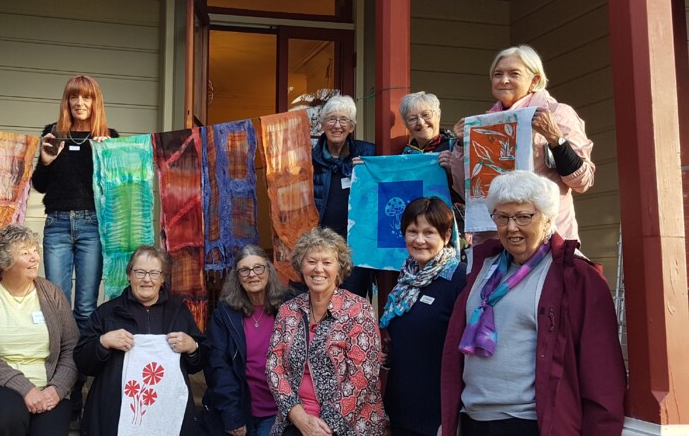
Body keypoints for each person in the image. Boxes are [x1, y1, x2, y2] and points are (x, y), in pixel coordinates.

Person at [440, 170, 625, 435]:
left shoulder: (576, 277)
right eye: (502, 217)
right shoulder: (482, 268)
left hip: (530, 424)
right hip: (472, 420)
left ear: (548, 219)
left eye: (523, 216)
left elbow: (603, 373)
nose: (511, 227)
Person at [451, 45, 594, 241]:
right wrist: (460, 146)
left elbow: (582, 182)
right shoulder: (485, 123)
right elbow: (466, 190)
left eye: (514, 74)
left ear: (534, 80)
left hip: (546, 237)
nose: (504, 80)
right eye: (497, 74)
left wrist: (555, 138)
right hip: (494, 237)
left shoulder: (557, 113)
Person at [266, 227, 386, 436]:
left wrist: (325, 426)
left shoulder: (358, 310)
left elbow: (363, 375)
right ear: (301, 267)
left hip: (348, 425)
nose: (318, 269)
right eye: (311, 262)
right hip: (296, 420)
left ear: (339, 269)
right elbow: (274, 366)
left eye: (327, 262)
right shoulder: (288, 310)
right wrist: (298, 417)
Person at [74, 245, 205, 435]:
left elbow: (199, 363)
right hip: (115, 416)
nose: (146, 279)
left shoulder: (179, 312)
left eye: (153, 273)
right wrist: (103, 342)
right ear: (129, 275)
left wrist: (193, 347)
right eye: (140, 272)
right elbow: (82, 362)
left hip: (167, 413)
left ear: (162, 279)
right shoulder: (107, 312)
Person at [0, 224, 79, 436]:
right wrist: (25, 388)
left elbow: (71, 347)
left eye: (35, 250)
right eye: (25, 253)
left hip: (48, 388)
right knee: (6, 418)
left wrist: (58, 388)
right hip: (0, 388)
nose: (34, 257)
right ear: (4, 262)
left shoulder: (52, 294)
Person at [31, 74, 118, 328]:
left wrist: (109, 156)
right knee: (57, 306)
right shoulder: (53, 133)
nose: (80, 102)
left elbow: (116, 191)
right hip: (57, 225)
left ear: (95, 102)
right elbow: (40, 184)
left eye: (86, 97)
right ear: (66, 101)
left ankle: (83, 365)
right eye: (73, 96)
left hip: (93, 227)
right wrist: (46, 162)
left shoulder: (109, 137)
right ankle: (61, 364)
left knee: (86, 307)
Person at [380, 198, 466, 436]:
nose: (419, 240)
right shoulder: (404, 280)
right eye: (412, 231)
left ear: (446, 235)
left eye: (429, 232)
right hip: (400, 414)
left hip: (439, 419)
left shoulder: (461, 281)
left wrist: (453, 419)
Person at [201, 245, 288, 436]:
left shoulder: (287, 308)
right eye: (244, 270)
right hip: (241, 409)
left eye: (258, 267)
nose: (252, 274)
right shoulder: (225, 314)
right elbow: (218, 366)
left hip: (278, 412)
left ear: (268, 270)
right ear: (237, 277)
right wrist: (232, 415)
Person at [310, 94, 376, 298]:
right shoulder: (309, 159)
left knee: (350, 302)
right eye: (331, 119)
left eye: (344, 120)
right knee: (320, 301)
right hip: (320, 247)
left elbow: (389, 182)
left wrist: (369, 171)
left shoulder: (369, 154)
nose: (337, 125)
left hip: (356, 248)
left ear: (352, 126)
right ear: (322, 124)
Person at [399, 92, 465, 230]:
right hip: (416, 224)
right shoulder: (404, 156)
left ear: (438, 114)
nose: (421, 122)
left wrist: (454, 168)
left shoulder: (457, 147)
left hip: (451, 223)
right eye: (412, 118)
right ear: (405, 124)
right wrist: (363, 168)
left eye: (426, 115)